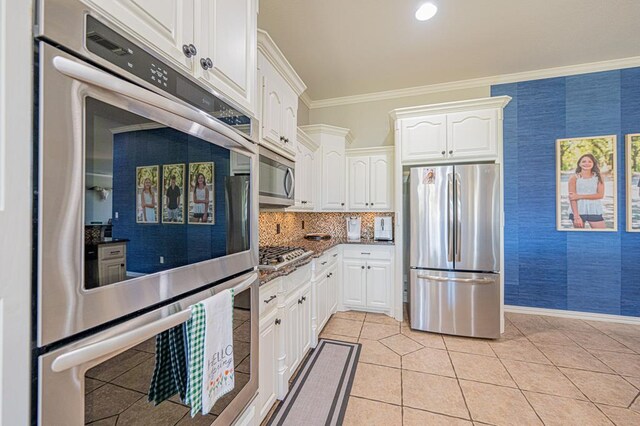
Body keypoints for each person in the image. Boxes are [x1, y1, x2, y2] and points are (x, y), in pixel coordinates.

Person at [568, 153, 605, 229]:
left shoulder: (598, 177)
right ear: (579, 164)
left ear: (593, 163)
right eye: (584, 161)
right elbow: (572, 198)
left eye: (589, 161)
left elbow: (600, 195)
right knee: (580, 237)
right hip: (578, 211)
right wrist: (576, 217)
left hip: (594, 209)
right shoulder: (574, 178)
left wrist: (579, 196)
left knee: (601, 235)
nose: (587, 163)